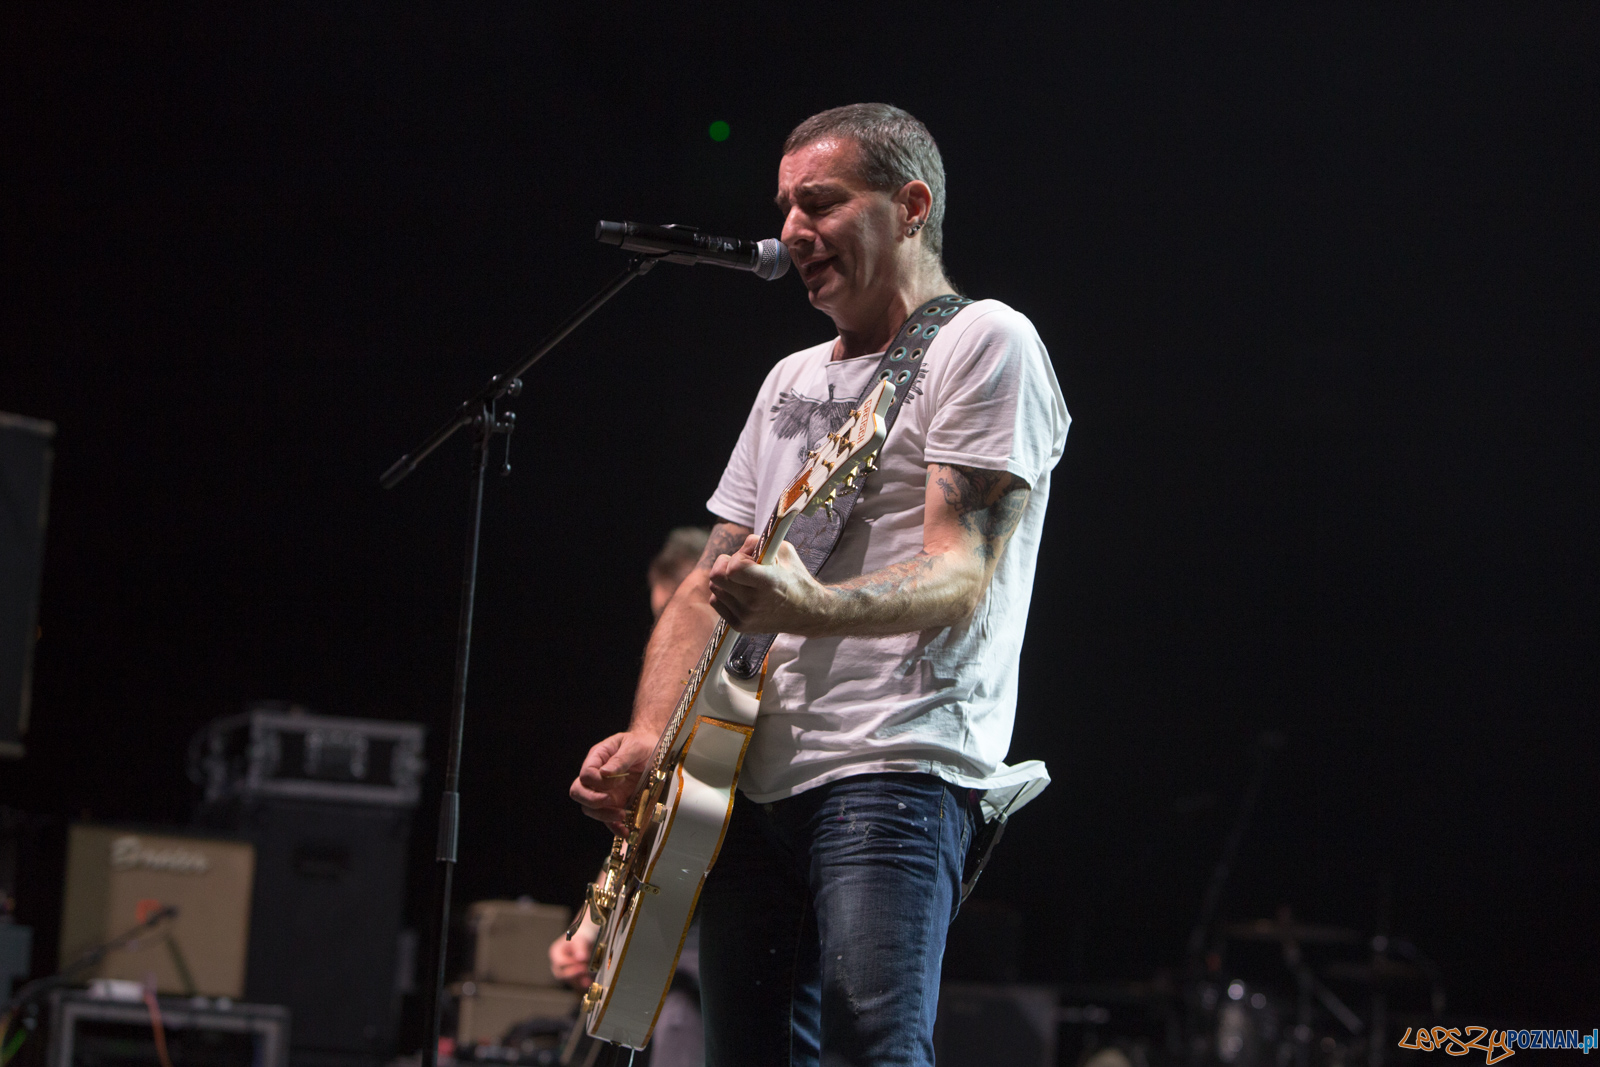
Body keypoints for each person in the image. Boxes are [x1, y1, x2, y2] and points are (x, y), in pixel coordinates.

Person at [570, 103, 1069, 1067]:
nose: (792, 229)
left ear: (911, 205)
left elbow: (961, 569)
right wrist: (645, 737)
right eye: (785, 206)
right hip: (745, 781)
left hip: (893, 764)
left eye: (822, 202)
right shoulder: (789, 378)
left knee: (872, 1047)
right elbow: (700, 587)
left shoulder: (986, 342)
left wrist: (814, 609)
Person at [551, 526, 709, 1067]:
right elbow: (641, 826)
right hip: (665, 938)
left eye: (678, 622)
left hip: (709, 937)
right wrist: (590, 924)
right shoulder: (670, 711)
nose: (668, 642)